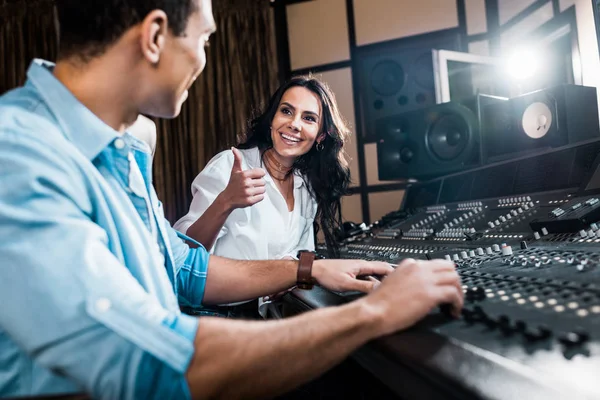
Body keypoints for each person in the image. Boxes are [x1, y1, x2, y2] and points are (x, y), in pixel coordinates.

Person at [0, 1, 463, 400]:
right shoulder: (16, 155)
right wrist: (374, 313)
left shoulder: (127, 147)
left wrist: (310, 268)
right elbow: (148, 368)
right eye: (204, 40)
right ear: (156, 36)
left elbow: (184, 269)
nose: (203, 59)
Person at [173, 76, 350, 317]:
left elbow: (301, 254)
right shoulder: (230, 164)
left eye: (308, 118)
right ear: (272, 120)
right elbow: (184, 254)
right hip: (214, 315)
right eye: (286, 111)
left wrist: (290, 268)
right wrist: (225, 201)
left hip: (270, 315)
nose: (294, 124)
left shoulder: (306, 186)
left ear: (320, 135)